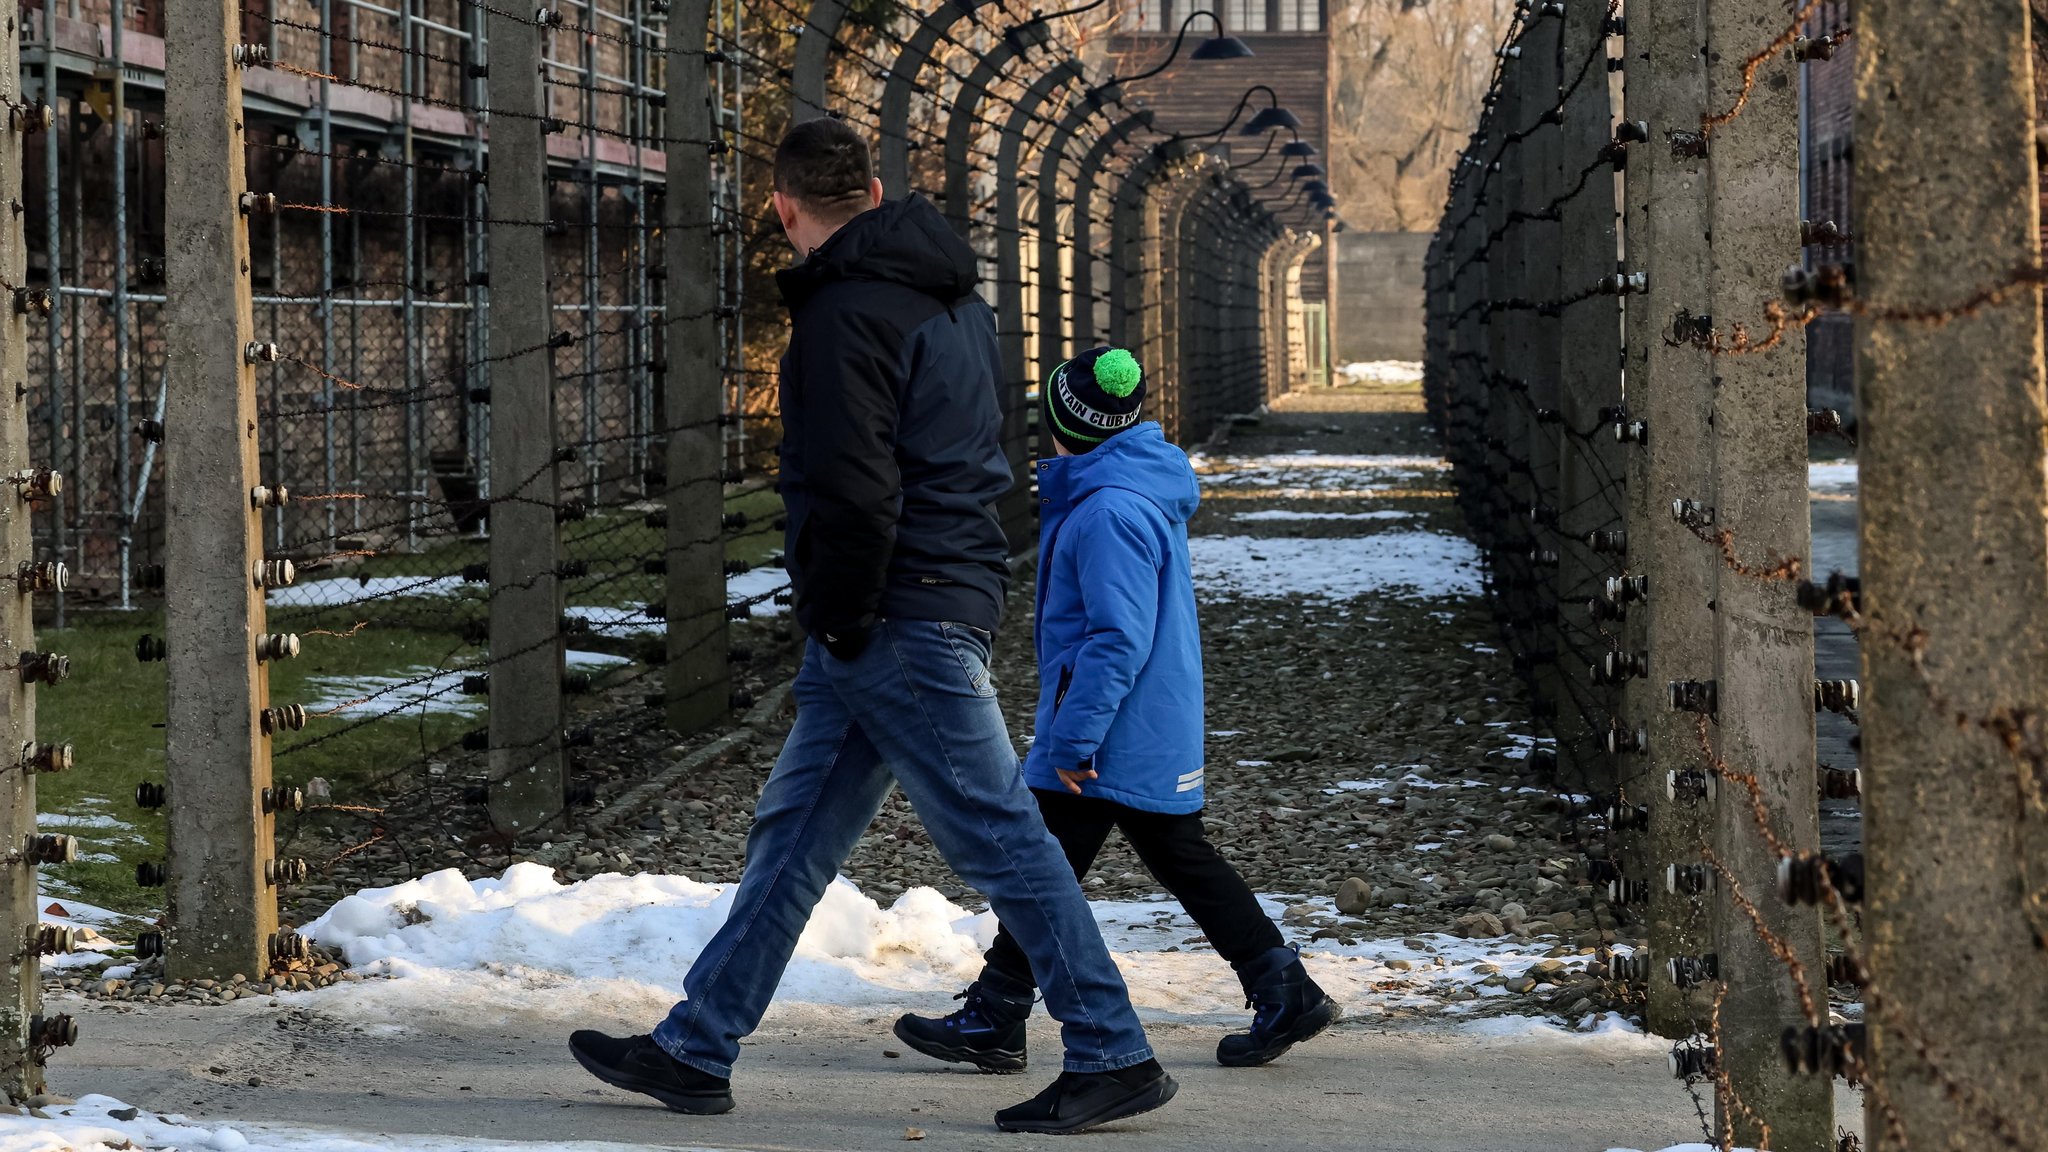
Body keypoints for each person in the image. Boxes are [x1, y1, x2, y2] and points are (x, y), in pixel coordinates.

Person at [568, 120, 1178, 1136]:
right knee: (794, 838)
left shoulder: (843, 316)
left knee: (1000, 838)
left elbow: (852, 490)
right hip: (928, 596)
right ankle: (693, 1045)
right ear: (876, 188)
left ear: (781, 206)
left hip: (895, 612)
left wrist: (843, 619)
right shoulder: (952, 303)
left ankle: (1112, 1048)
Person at [893, 346, 1341, 1074]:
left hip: (1109, 731)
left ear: (1066, 423)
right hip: (1136, 721)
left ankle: (998, 1014)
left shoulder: (1108, 510)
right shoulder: (1126, 487)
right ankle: (1277, 984)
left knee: (1052, 862)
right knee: (1145, 858)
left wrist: (1073, 739)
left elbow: (1116, 638)